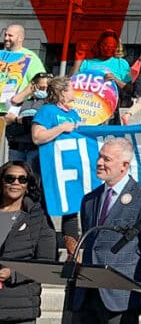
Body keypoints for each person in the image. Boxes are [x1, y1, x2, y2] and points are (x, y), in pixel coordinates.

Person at [71, 137, 141, 324]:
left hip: (120, 297)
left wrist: (130, 283)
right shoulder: (89, 200)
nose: (99, 163)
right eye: (99, 157)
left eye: (106, 159)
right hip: (87, 294)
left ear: (124, 165)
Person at [0, 160, 57, 324]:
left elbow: (46, 263)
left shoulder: (38, 218)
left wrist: (13, 273)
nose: (15, 183)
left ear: (28, 185)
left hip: (19, 308)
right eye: (10, 178)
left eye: (22, 179)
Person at [31, 76, 82, 251]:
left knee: (71, 210)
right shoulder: (47, 111)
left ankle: (72, 255)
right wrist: (61, 128)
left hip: (69, 170)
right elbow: (37, 137)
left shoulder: (73, 114)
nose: (75, 90)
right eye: (71, 88)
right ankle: (47, 246)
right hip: (49, 169)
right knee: (43, 208)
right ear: (62, 92)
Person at [4, 72, 50, 171]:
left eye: (47, 88)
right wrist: (27, 91)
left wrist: (17, 120)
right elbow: (10, 116)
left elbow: (35, 122)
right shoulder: (24, 103)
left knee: (32, 179)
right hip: (16, 148)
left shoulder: (48, 104)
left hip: (34, 149)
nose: (44, 90)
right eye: (41, 87)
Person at [70, 29, 131, 98]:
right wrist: (78, 60)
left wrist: (115, 79)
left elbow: (130, 90)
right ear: (100, 45)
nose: (108, 49)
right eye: (106, 45)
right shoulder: (87, 63)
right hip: (87, 102)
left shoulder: (121, 63)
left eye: (111, 46)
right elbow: (71, 82)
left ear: (116, 47)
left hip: (109, 104)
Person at [0, 24, 45, 117]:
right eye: (5, 35)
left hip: (13, 109)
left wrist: (21, 96)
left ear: (20, 38)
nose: (6, 38)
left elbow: (41, 80)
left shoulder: (30, 56)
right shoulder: (1, 54)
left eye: (10, 35)